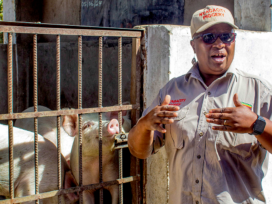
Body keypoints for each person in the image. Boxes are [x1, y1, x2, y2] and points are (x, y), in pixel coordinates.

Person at [128, 5, 272, 204]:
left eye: (226, 36)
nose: (219, 44)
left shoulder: (259, 91)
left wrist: (257, 124)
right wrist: (144, 125)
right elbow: (139, 151)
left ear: (234, 40)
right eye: (209, 37)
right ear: (193, 45)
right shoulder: (172, 91)